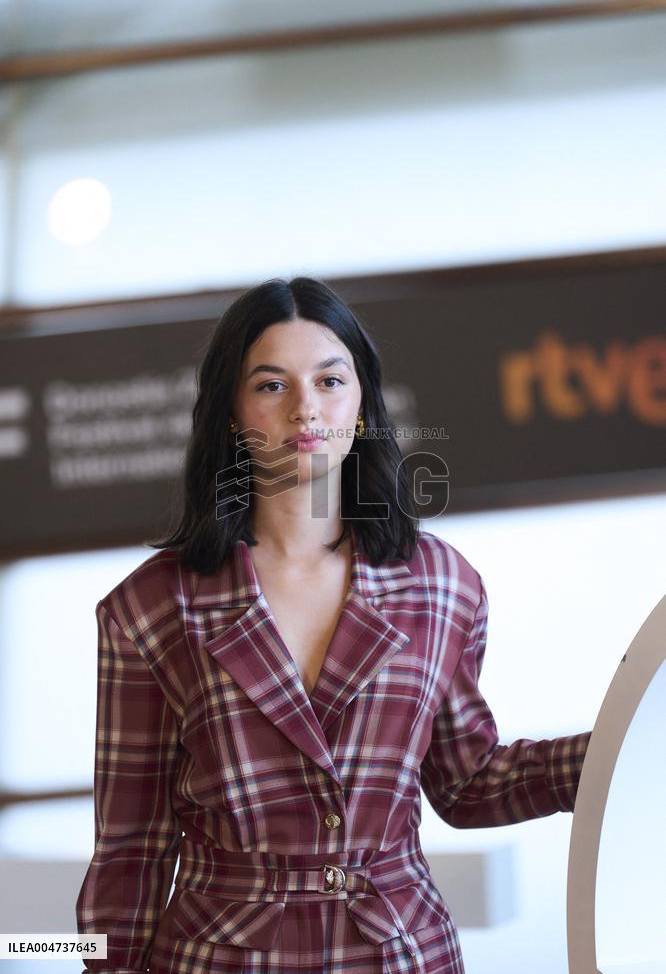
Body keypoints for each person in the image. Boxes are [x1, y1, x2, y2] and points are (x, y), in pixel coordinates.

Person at [75, 277, 592, 974]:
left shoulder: (441, 584)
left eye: (329, 379)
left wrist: (619, 749)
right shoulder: (150, 608)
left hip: (401, 951)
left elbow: (468, 783)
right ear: (231, 412)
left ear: (362, 403)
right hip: (218, 958)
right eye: (270, 385)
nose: (305, 409)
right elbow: (130, 849)